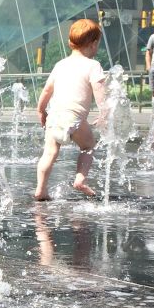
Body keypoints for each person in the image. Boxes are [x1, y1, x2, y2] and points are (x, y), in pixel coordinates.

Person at [34, 19, 107, 201]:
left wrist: (41, 110)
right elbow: (99, 91)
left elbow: (47, 90)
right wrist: (104, 113)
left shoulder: (60, 64)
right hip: (74, 118)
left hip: (55, 116)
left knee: (49, 153)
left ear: (70, 42)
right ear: (93, 44)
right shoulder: (93, 65)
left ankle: (41, 190)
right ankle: (80, 180)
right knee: (88, 146)